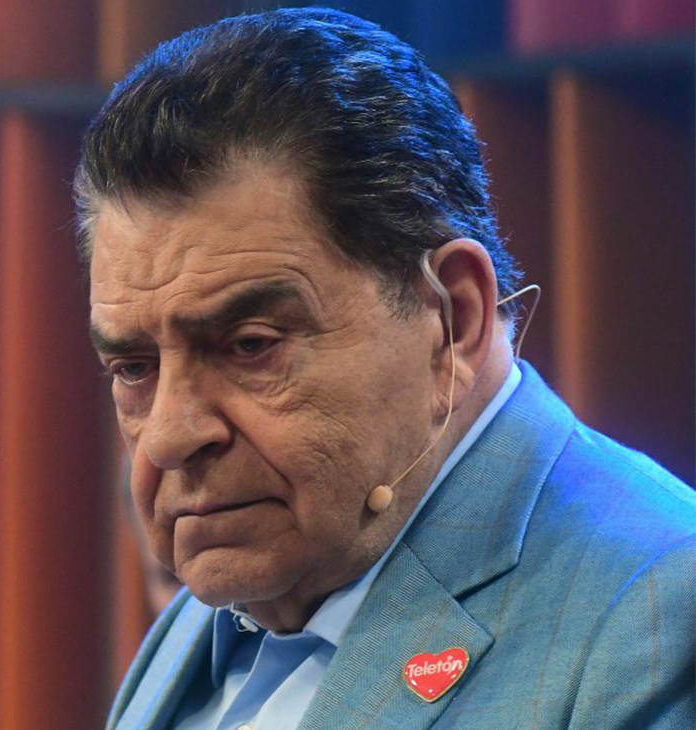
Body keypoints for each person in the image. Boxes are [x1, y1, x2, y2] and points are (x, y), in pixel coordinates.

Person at [74, 8, 695, 730]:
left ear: (453, 321)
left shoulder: (658, 620)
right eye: (134, 368)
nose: (168, 438)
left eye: (250, 345)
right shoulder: (218, 604)